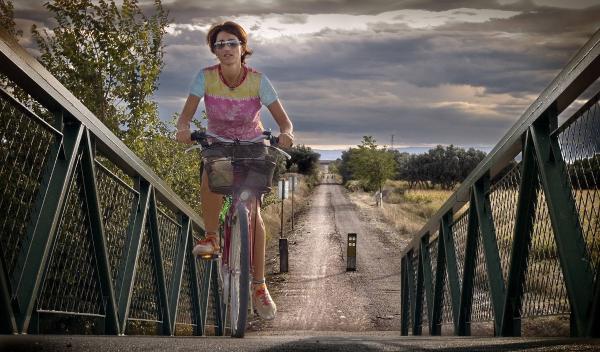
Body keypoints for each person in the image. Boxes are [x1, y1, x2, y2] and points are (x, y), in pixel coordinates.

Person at [175, 21, 293, 320]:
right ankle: (211, 237)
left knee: (253, 211)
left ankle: (259, 286)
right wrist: (184, 128)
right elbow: (185, 117)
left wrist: (286, 133)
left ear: (242, 47)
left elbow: (284, 121)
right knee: (211, 172)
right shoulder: (204, 78)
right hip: (218, 142)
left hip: (253, 143)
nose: (225, 49)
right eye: (219, 44)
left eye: (231, 43)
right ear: (213, 50)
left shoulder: (257, 80)